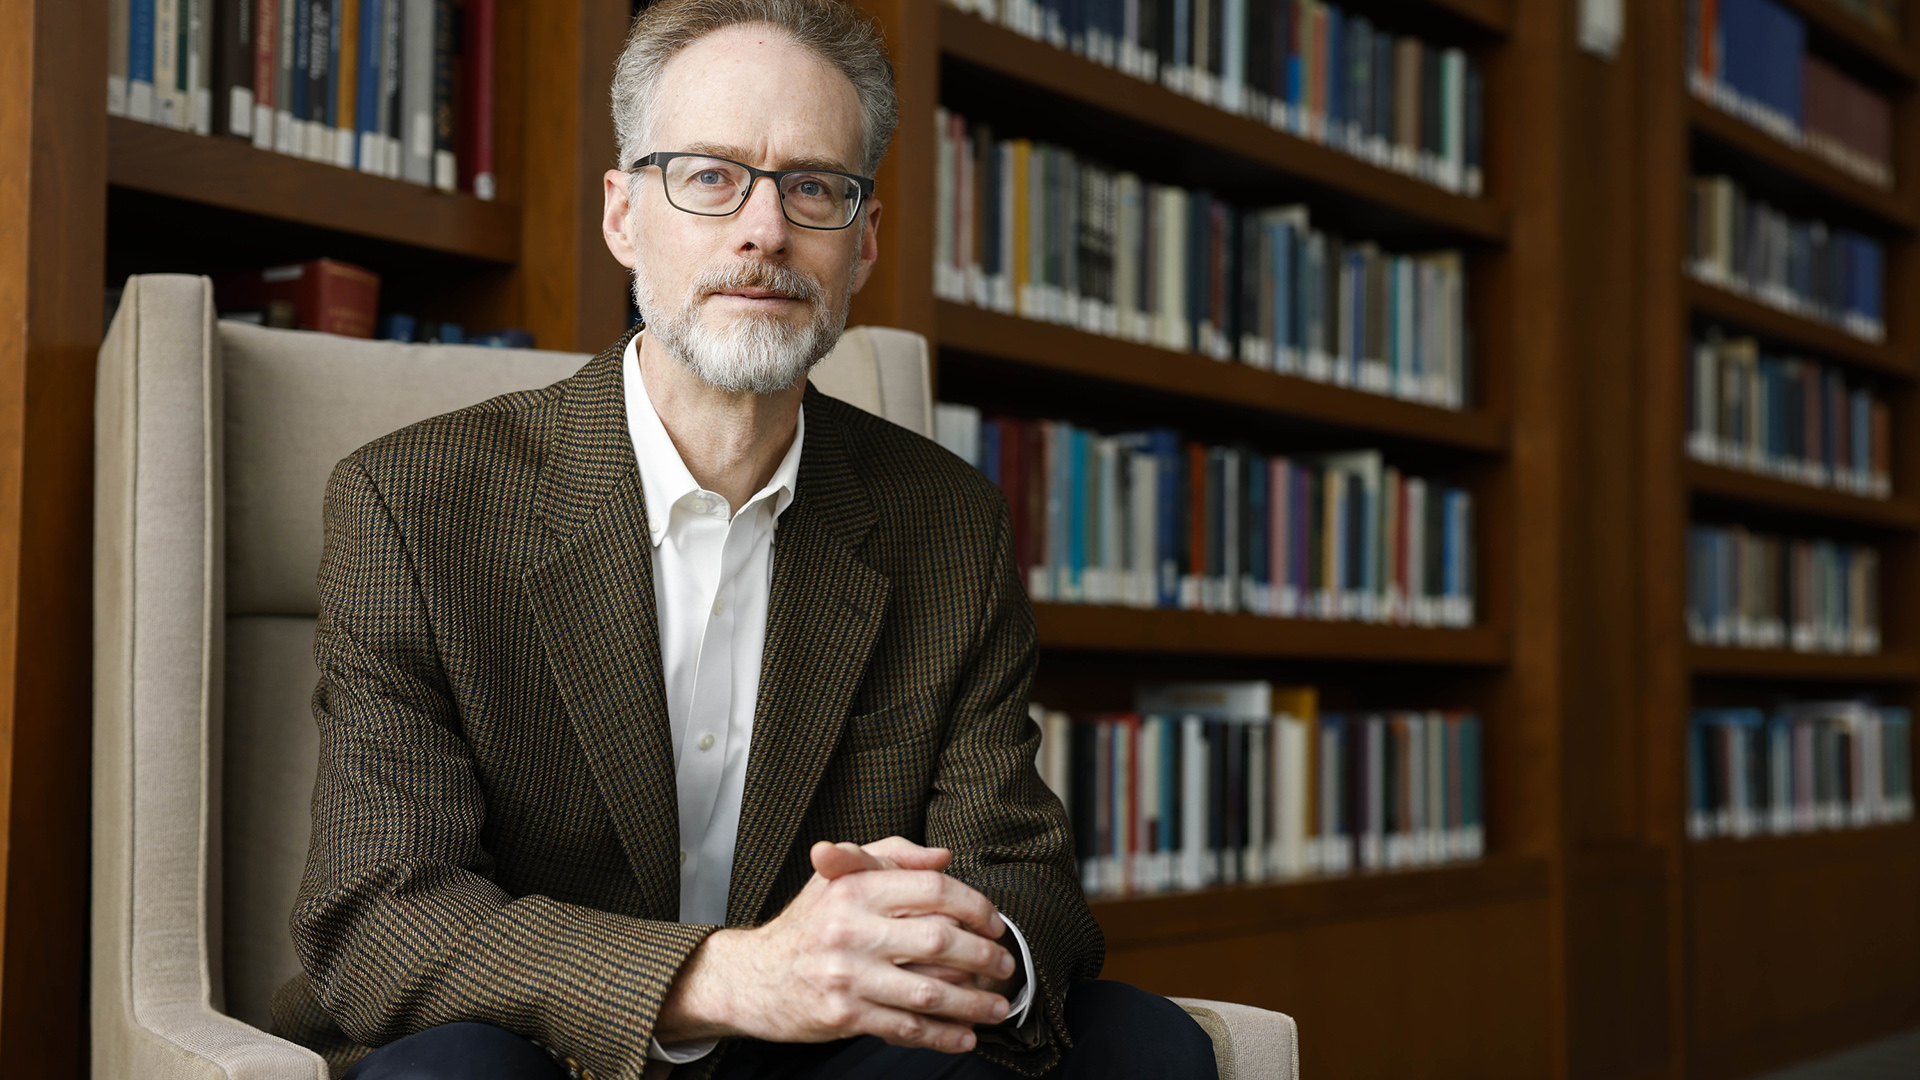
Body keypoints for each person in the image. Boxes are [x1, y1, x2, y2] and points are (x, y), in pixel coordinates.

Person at [270, 1, 1218, 1077]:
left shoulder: (947, 521)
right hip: (545, 1044)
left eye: (813, 185)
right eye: (711, 175)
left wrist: (957, 935)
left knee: (1143, 1044)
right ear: (625, 215)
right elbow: (381, 913)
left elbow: (1025, 874)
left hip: (823, 1053)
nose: (764, 229)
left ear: (860, 245)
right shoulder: (411, 504)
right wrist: (734, 976)